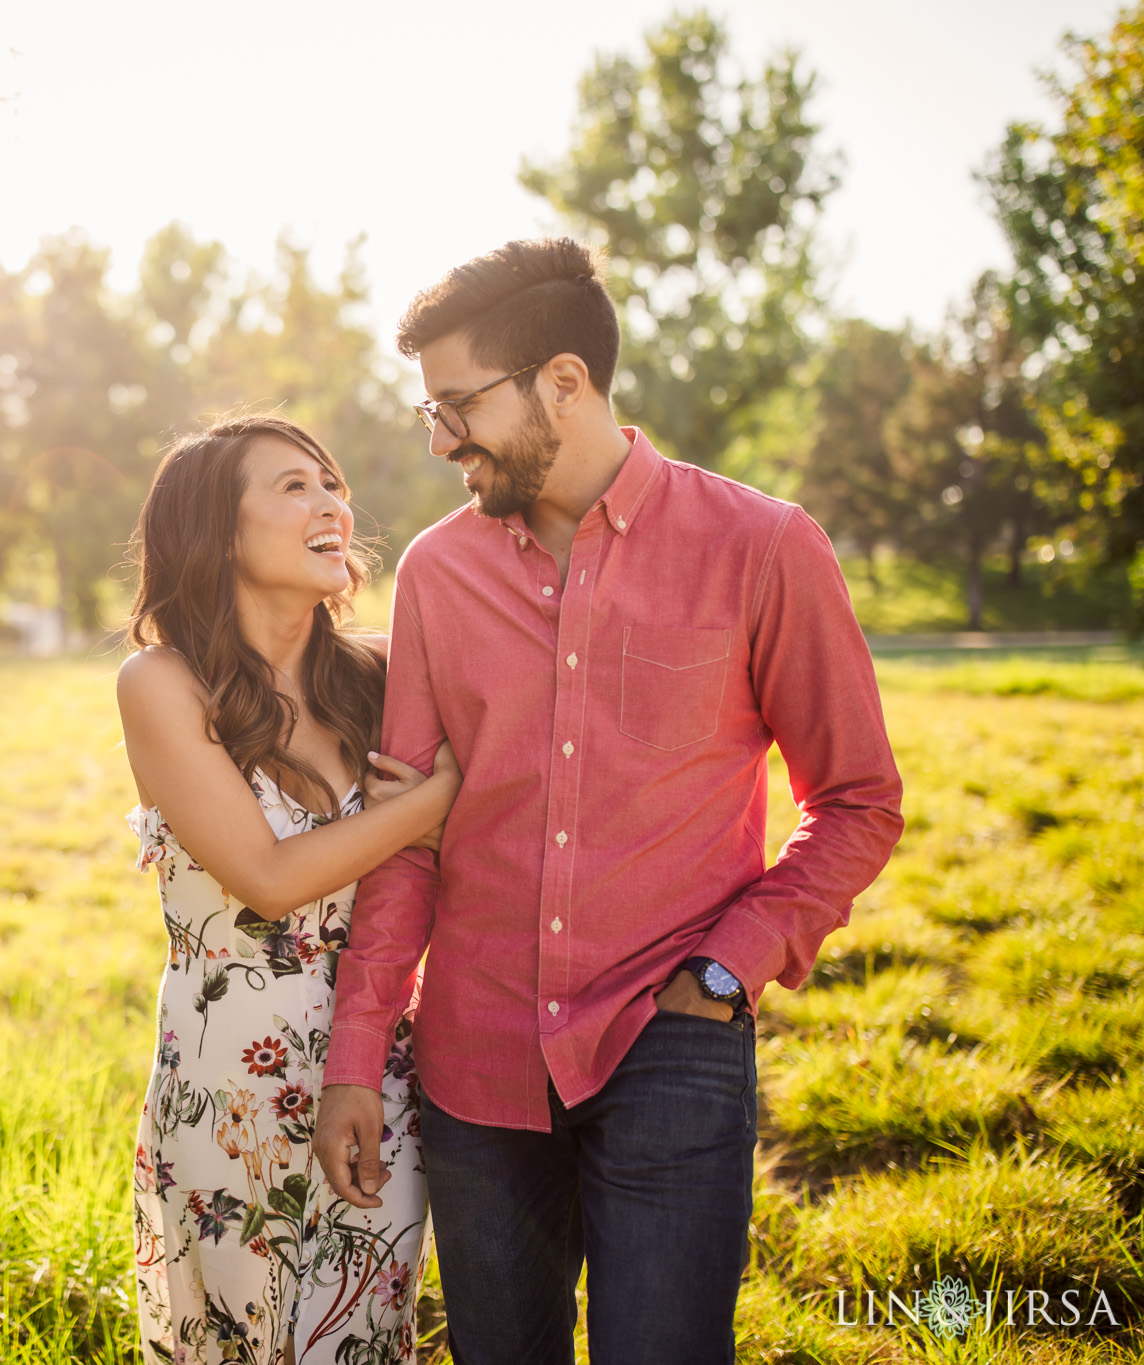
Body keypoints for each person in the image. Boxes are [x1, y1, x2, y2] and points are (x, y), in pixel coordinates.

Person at [312, 239, 904, 1365]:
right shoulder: (437, 574)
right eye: (426, 410)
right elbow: (404, 840)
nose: (438, 441)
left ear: (563, 381)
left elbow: (857, 799)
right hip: (474, 1055)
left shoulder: (763, 547)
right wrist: (356, 1049)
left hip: (667, 1034)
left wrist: (728, 966)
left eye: (456, 406)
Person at [118, 415, 460, 1364]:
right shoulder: (162, 683)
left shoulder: (383, 671)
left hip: (376, 1066)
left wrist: (445, 813)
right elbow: (266, 879)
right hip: (228, 1087)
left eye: (333, 484)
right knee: (236, 1341)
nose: (331, 505)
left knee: (360, 1338)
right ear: (217, 529)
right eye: (293, 487)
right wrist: (432, 802)